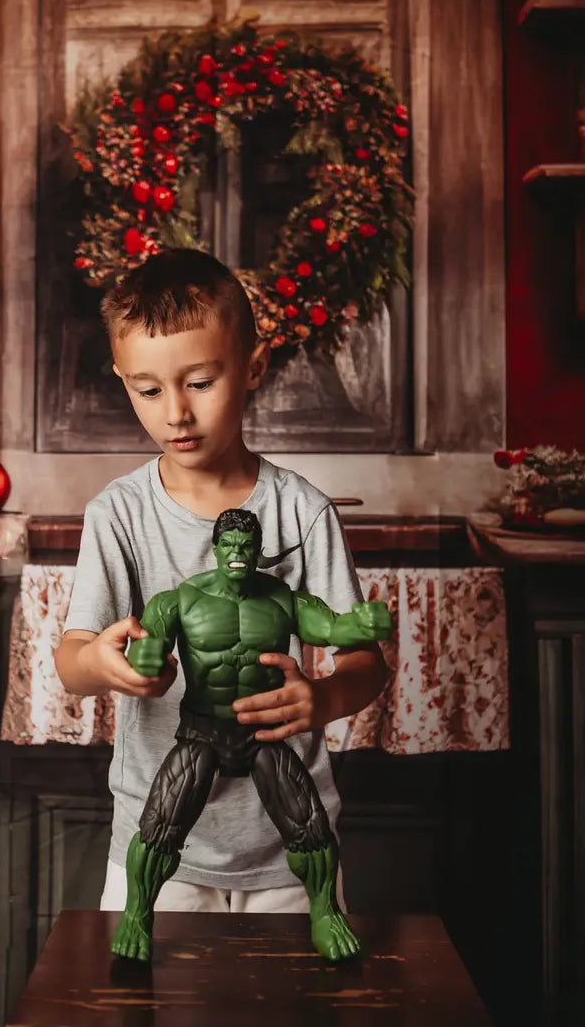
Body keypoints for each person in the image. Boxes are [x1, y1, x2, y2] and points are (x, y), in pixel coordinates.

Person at [54, 247, 389, 945]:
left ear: (254, 367)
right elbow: (73, 658)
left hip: (287, 857)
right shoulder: (118, 514)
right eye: (147, 390)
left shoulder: (302, 513)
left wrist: (322, 699)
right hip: (160, 840)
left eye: (201, 381)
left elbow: (365, 660)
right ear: (122, 381)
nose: (176, 412)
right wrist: (106, 665)